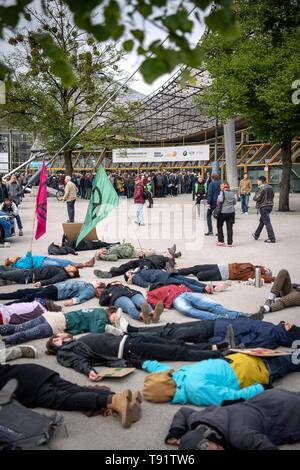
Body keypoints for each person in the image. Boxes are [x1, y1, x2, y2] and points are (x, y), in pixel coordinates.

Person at [0, 363, 142, 428]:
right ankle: (124, 398)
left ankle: (113, 400)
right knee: (74, 389)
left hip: (26, 386)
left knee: (65, 399)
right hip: (32, 370)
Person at [142, 352, 300, 407]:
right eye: (163, 376)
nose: (165, 372)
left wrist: (143, 363)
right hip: (256, 372)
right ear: (166, 383)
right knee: (290, 361)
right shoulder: (196, 391)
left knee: (286, 355)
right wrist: (259, 389)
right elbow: (229, 398)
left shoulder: (176, 377)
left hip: (242, 359)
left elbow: (159, 368)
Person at [166, 388, 300, 450]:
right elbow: (183, 412)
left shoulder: (241, 435)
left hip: (288, 411)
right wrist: (176, 432)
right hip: (268, 396)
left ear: (211, 437)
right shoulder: (199, 419)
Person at [45, 332, 220, 378]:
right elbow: (78, 362)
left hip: (130, 339)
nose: (59, 337)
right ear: (55, 346)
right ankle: (217, 355)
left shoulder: (73, 341)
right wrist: (88, 371)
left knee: (174, 343)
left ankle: (211, 347)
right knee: (176, 352)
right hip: (129, 350)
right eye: (55, 340)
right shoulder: (64, 352)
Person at [109, 314, 300, 350]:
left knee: (171, 334)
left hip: (212, 332)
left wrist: (213, 341)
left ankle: (129, 336)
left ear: (289, 332)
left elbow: (238, 343)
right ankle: (133, 330)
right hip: (215, 323)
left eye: (290, 326)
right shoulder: (274, 330)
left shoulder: (272, 337)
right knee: (172, 328)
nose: (288, 323)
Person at [0, 307, 118, 345]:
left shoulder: (97, 310)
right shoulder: (102, 316)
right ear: (111, 313)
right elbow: (96, 331)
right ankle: (4, 343)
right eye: (115, 318)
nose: (114, 322)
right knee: (25, 335)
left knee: (18, 327)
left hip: (51, 316)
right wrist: (111, 329)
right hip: (57, 324)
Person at [146, 285, 259, 321]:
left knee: (211, 305)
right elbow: (150, 298)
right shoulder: (152, 292)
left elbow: (184, 286)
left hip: (186, 294)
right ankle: (220, 318)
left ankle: (240, 315)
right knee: (188, 310)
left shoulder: (170, 285)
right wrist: (162, 305)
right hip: (177, 299)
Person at [0, 279, 104, 306]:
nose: (93, 281)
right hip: (54, 288)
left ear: (98, 285)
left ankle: (5, 307)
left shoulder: (90, 289)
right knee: (24, 292)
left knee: (30, 297)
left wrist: (73, 301)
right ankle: (3, 296)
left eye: (96, 282)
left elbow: (82, 297)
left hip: (57, 291)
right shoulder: (87, 285)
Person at [99, 281, 164, 324]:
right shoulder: (107, 290)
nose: (118, 282)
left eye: (118, 282)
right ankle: (142, 316)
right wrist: (109, 295)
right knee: (130, 306)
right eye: (115, 282)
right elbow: (101, 302)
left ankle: (154, 314)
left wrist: (138, 294)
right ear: (110, 284)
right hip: (119, 297)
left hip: (132, 294)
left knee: (143, 303)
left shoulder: (125, 287)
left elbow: (137, 292)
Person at [124, 268, 229, 294]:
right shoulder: (135, 277)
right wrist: (155, 284)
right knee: (184, 284)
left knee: (190, 281)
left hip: (166, 275)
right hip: (163, 279)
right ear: (128, 276)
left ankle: (214, 287)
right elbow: (144, 284)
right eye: (128, 272)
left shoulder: (140, 271)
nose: (130, 271)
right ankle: (204, 290)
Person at [93, 254, 174, 279]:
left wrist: (167, 267)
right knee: (128, 264)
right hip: (142, 261)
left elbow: (169, 266)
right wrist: (142, 256)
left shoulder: (167, 259)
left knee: (141, 270)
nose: (167, 254)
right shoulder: (157, 255)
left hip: (150, 264)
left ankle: (132, 276)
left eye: (169, 254)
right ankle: (110, 273)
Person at [176, 262, 274, 283]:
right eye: (266, 267)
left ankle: (177, 274)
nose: (265, 267)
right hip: (221, 266)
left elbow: (267, 279)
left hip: (223, 274)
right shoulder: (253, 265)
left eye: (267, 270)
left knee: (200, 275)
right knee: (197, 266)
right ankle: (177, 271)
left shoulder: (255, 275)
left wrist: (275, 278)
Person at [0, 265, 79, 287]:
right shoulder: (61, 268)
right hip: (27, 271)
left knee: (3, 274)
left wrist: (41, 283)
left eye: (71, 267)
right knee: (3, 267)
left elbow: (53, 280)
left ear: (72, 274)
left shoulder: (63, 275)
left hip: (27, 276)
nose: (69, 265)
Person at [5, 250, 95, 269]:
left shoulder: (20, 259)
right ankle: (81, 265)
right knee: (58, 264)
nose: (13, 257)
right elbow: (28, 266)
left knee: (64, 261)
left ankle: (81, 264)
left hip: (43, 259)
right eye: (11, 259)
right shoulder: (18, 265)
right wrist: (28, 255)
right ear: (11, 263)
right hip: (40, 264)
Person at [253, 175, 275, 243]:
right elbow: (273, 195)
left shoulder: (262, 188)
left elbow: (256, 198)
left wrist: (256, 192)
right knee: (262, 221)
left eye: (258, 180)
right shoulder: (270, 187)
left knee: (267, 222)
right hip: (270, 206)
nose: (257, 182)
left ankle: (272, 238)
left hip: (263, 206)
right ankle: (256, 234)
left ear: (260, 181)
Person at [216, 182, 236, 247]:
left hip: (223, 212)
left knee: (219, 226)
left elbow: (220, 200)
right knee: (230, 227)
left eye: (221, 186)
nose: (220, 187)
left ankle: (221, 241)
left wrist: (218, 198)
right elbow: (234, 202)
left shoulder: (222, 192)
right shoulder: (232, 193)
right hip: (231, 212)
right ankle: (230, 243)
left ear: (223, 187)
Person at [48, 239, 116, 256]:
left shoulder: (64, 243)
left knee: (101, 243)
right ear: (58, 246)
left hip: (85, 242)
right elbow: (69, 249)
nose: (59, 242)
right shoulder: (65, 247)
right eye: (58, 243)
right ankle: (114, 244)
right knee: (102, 244)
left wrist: (64, 236)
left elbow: (64, 241)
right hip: (87, 245)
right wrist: (74, 253)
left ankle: (112, 244)